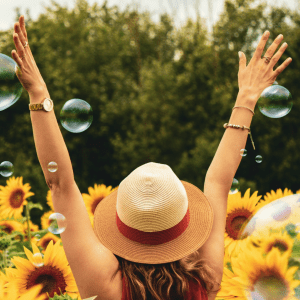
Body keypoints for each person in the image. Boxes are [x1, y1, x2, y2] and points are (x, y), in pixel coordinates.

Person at [11, 15, 292, 300]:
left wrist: (38, 92)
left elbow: (60, 183)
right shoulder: (204, 280)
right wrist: (246, 97)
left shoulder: (105, 285)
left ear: (122, 227)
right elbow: (218, 182)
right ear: (184, 227)